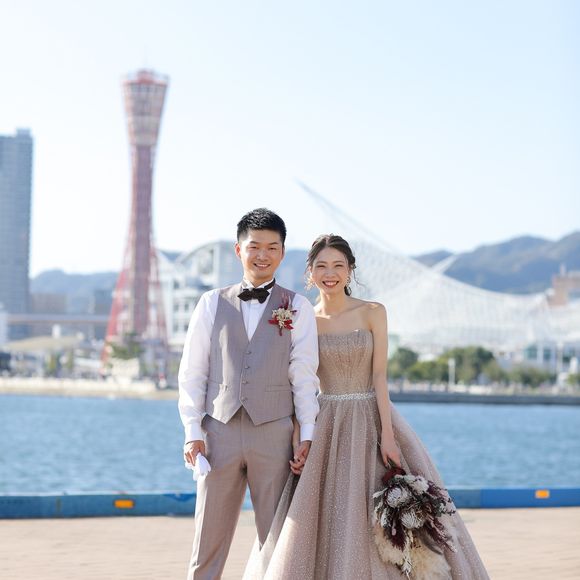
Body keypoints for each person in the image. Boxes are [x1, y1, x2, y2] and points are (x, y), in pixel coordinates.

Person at [244, 234, 489, 580]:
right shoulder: (302, 318)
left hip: (372, 418)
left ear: (350, 270)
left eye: (338, 266)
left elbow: (379, 376)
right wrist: (301, 434)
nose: (330, 273)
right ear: (310, 273)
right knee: (328, 511)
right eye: (321, 266)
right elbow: (301, 382)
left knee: (378, 508)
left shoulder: (373, 312)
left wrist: (387, 435)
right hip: (326, 423)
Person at [178, 208, 320, 580]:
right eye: (254, 246)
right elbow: (193, 372)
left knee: (276, 542)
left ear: (282, 253)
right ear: (238, 250)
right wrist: (192, 431)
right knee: (207, 540)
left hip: (274, 432)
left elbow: (304, 376)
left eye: (272, 247)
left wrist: (307, 433)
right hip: (218, 431)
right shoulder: (211, 303)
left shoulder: (298, 307)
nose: (262, 254)